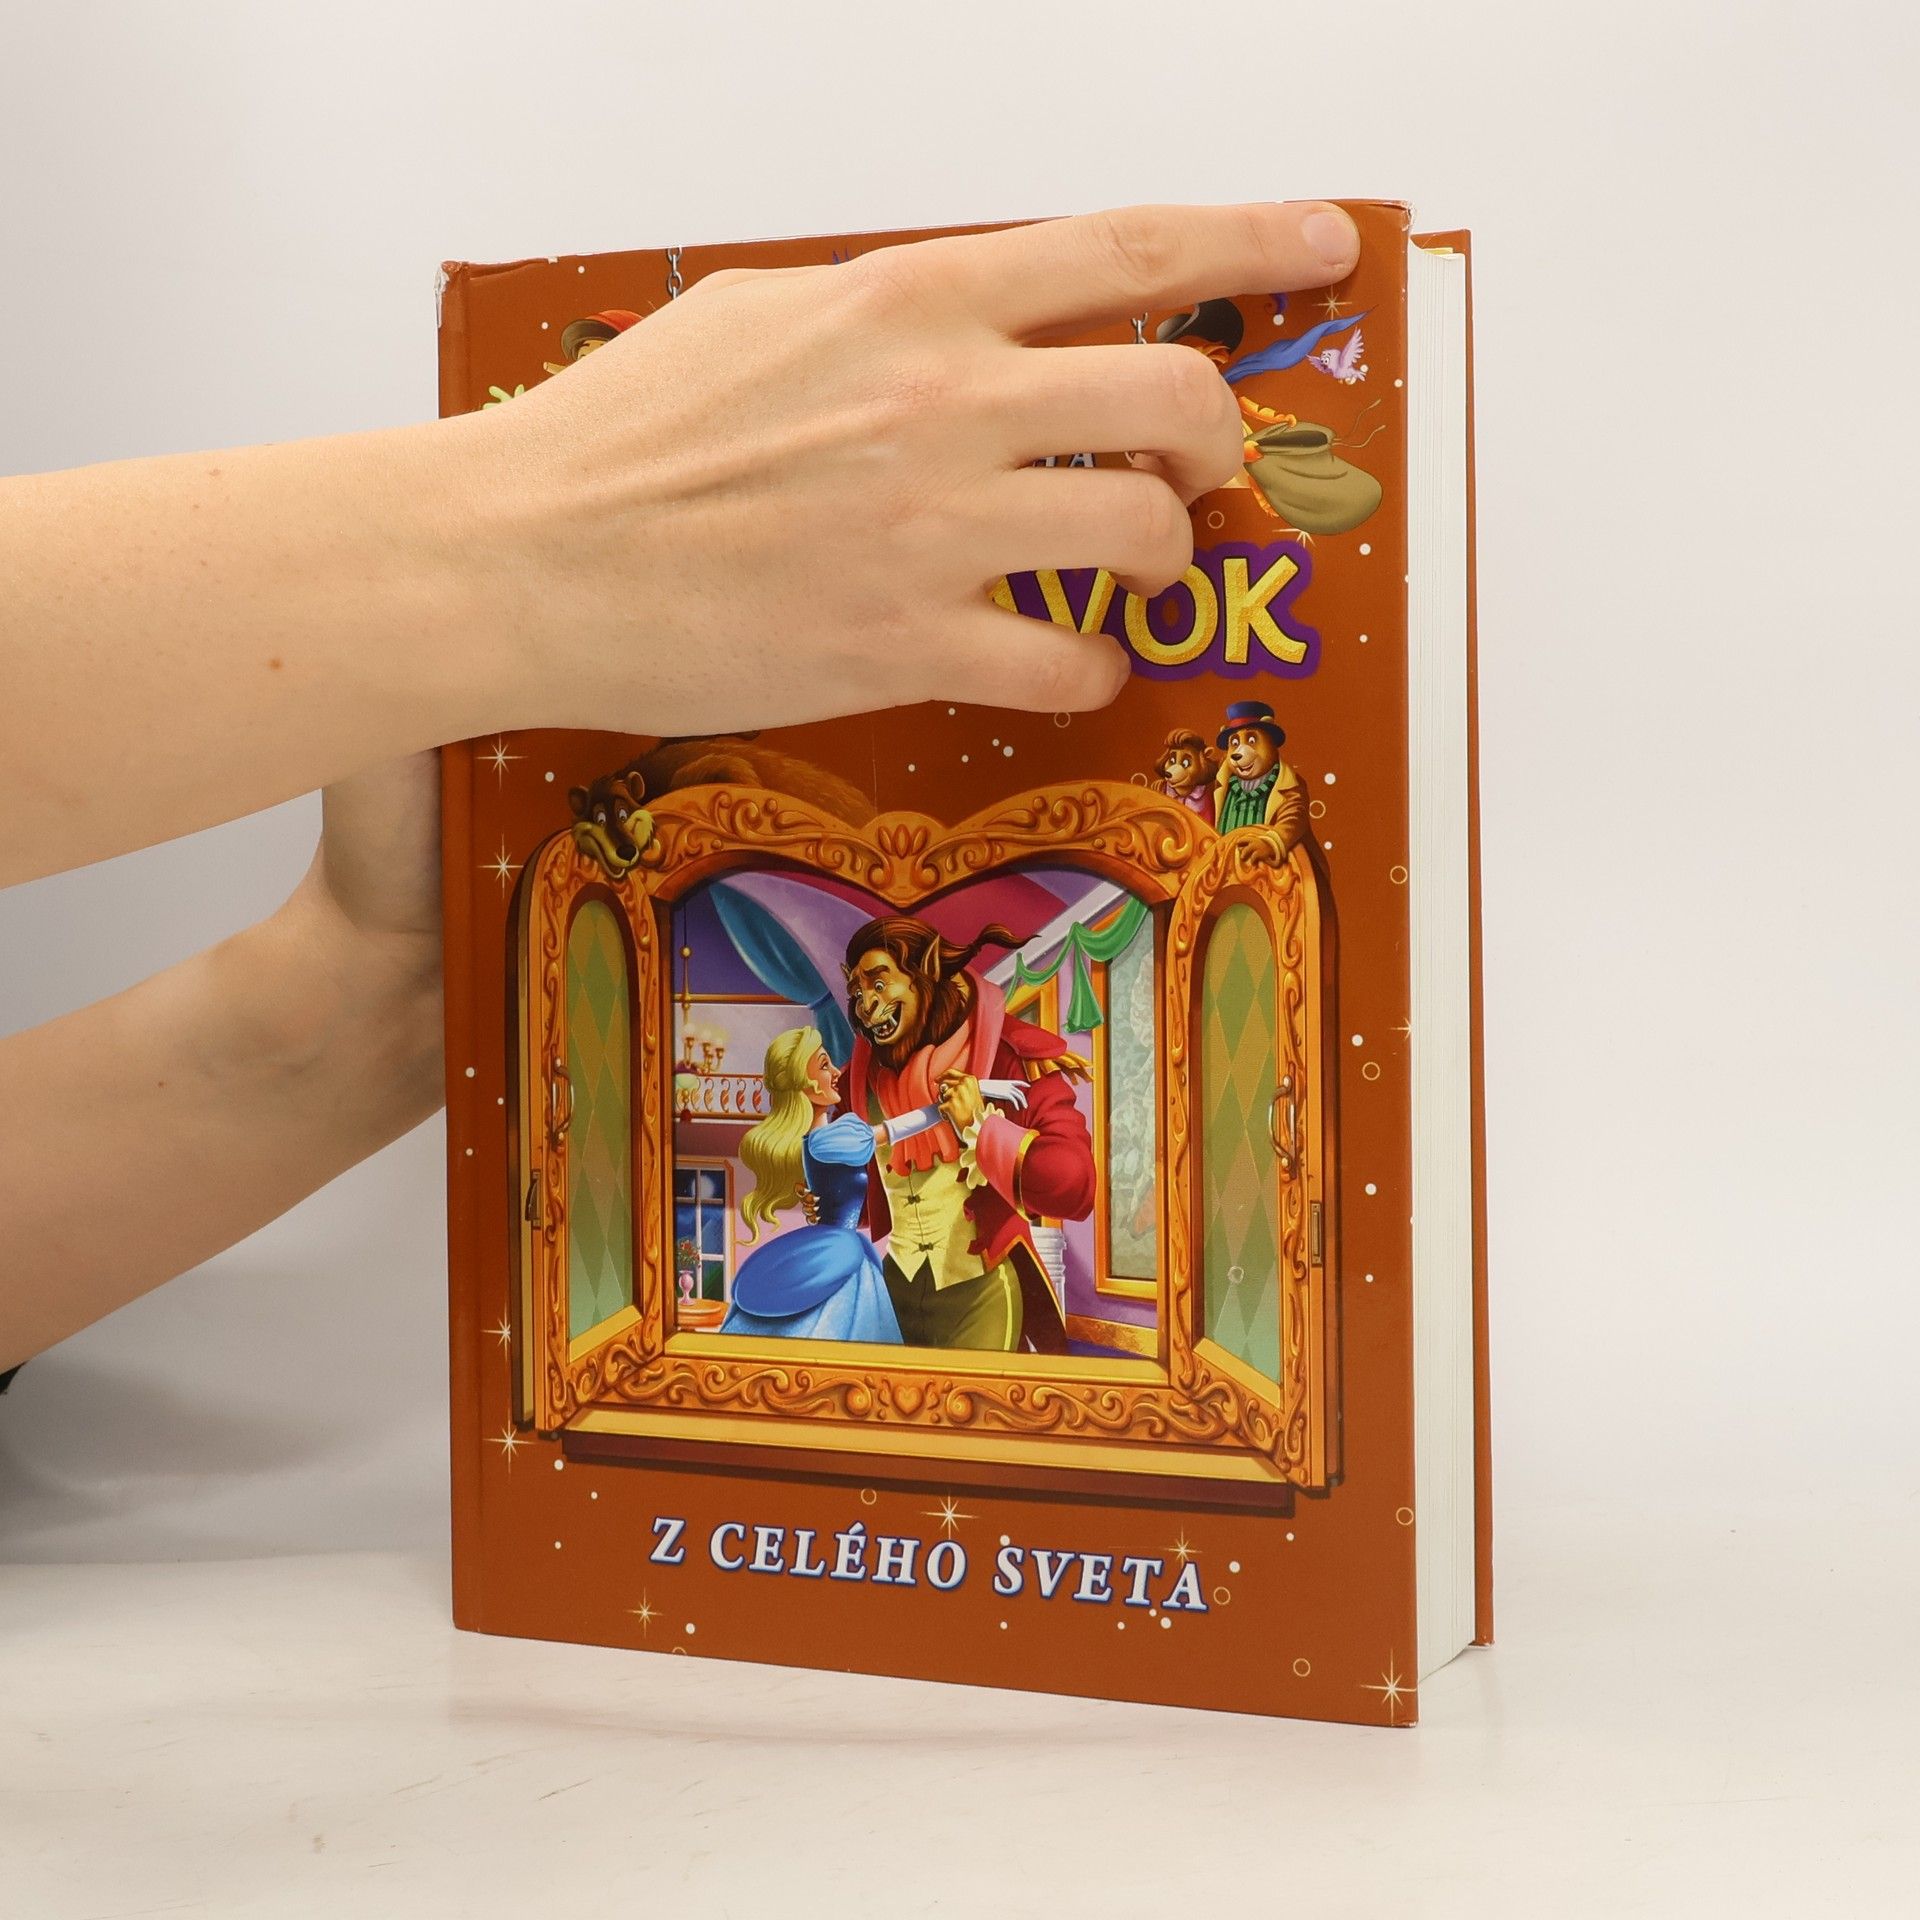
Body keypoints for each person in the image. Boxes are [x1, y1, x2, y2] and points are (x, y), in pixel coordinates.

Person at [0, 200, 1362, 1377]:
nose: (874, 1005)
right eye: (868, 989)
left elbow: (1059, 1172)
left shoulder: (1009, 1048)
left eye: (882, 989)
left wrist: (380, 984)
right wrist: (493, 549)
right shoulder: (874, 1065)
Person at [840, 916, 1095, 1354]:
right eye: (858, 992)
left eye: (879, 984)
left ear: (926, 973)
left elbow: (1075, 1185)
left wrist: (983, 1126)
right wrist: (829, 1197)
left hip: (982, 1295)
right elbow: (867, 1199)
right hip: (895, 1290)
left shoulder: (1011, 1057)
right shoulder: (858, 1081)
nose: (866, 1005)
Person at [719, 1029, 903, 1343]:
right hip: (837, 1246)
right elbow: (891, 1132)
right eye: (824, 1066)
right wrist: (939, 1112)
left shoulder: (815, 1141)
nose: (836, 1073)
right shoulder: (831, 1139)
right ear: (806, 1084)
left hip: (834, 1241)